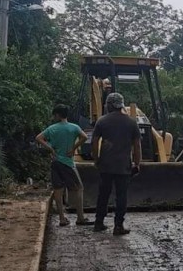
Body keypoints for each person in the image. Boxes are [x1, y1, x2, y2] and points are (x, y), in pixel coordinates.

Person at [91, 92, 142, 235]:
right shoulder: (131, 122)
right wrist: (137, 163)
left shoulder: (101, 121)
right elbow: (137, 146)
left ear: (109, 105)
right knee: (121, 196)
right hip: (123, 166)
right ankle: (118, 226)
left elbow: (94, 143)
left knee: (103, 194)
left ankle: (98, 222)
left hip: (106, 165)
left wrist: (96, 160)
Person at [36, 104, 94, 227]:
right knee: (78, 188)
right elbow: (84, 137)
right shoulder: (74, 127)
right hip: (68, 162)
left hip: (55, 162)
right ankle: (80, 217)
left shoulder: (51, 128)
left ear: (57, 115)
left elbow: (39, 138)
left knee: (58, 190)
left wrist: (51, 149)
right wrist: (74, 148)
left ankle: (62, 218)